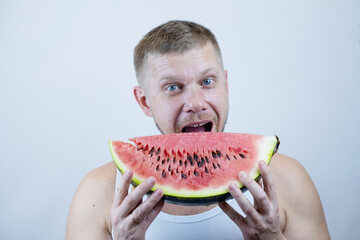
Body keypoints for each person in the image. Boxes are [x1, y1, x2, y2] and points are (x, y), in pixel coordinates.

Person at [65, 20, 330, 240]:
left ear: (225, 85)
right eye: (173, 87)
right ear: (144, 101)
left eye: (206, 81)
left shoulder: (288, 179)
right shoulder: (97, 193)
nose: (195, 103)